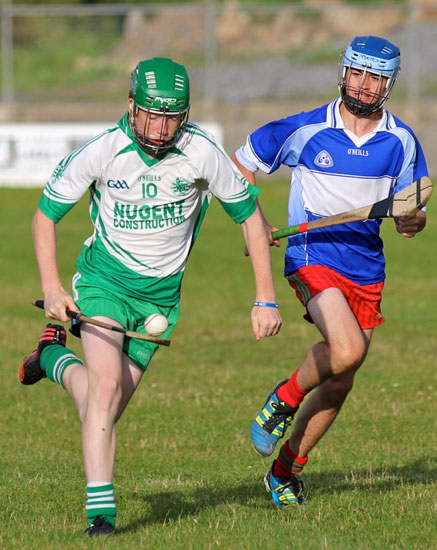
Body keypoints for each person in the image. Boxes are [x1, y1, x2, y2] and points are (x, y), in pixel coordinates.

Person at [19, 56, 282, 536]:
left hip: (159, 301)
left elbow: (247, 215)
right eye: (151, 114)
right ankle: (102, 516)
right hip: (104, 284)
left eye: (171, 117)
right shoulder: (103, 151)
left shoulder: (200, 151)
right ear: (130, 106)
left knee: (105, 406)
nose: (160, 128)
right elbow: (43, 217)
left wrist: (265, 297)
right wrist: (53, 287)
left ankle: (53, 357)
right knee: (104, 390)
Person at [232, 35, 429, 507]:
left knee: (342, 376)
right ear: (343, 73)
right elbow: (243, 164)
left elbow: (413, 211)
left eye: (376, 78)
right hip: (311, 255)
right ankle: (281, 399)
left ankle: (285, 472)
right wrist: (254, 222)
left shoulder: (400, 141)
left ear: (389, 84)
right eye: (358, 73)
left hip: (365, 267)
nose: (364, 86)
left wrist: (411, 219)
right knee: (345, 348)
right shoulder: (305, 129)